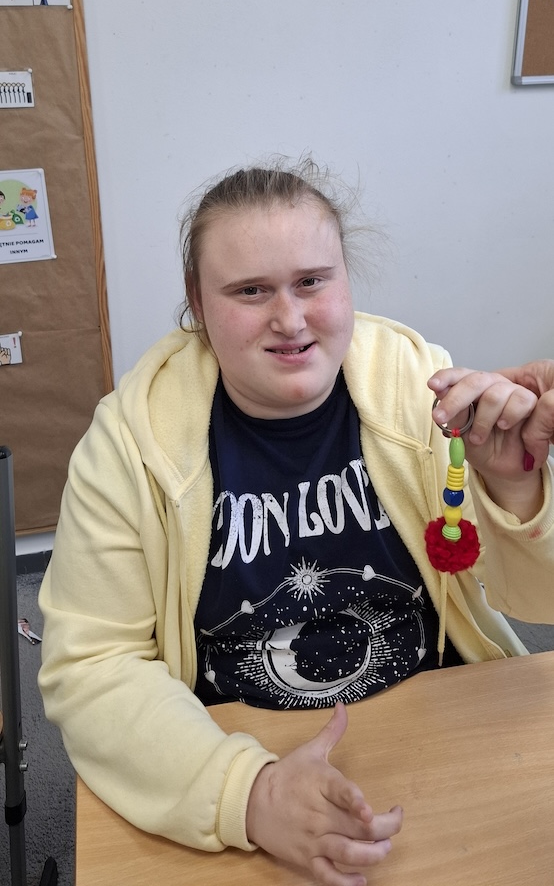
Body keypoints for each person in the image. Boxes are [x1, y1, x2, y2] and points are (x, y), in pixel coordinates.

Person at [38, 158, 554, 886]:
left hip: (434, 727)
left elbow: (538, 603)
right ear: (197, 301)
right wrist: (249, 794)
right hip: (234, 748)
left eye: (312, 281)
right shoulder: (130, 444)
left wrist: (515, 489)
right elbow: (92, 666)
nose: (289, 319)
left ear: (346, 280)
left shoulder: (421, 392)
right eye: (250, 291)